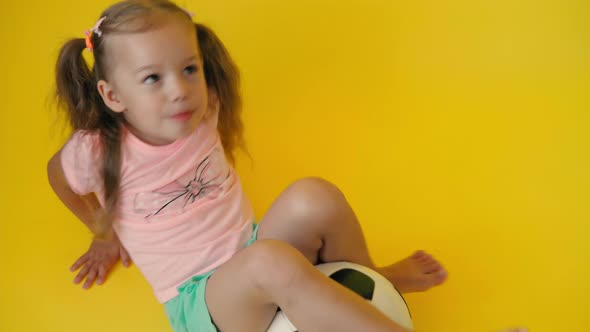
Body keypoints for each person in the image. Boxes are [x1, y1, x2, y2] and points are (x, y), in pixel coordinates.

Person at [47, 1, 449, 331]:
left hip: (255, 248)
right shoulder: (97, 150)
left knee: (315, 196)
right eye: (153, 78)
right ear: (113, 95)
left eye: (189, 69)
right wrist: (101, 232)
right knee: (269, 263)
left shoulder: (204, 108)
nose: (180, 91)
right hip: (203, 303)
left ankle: (371, 280)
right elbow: (59, 178)